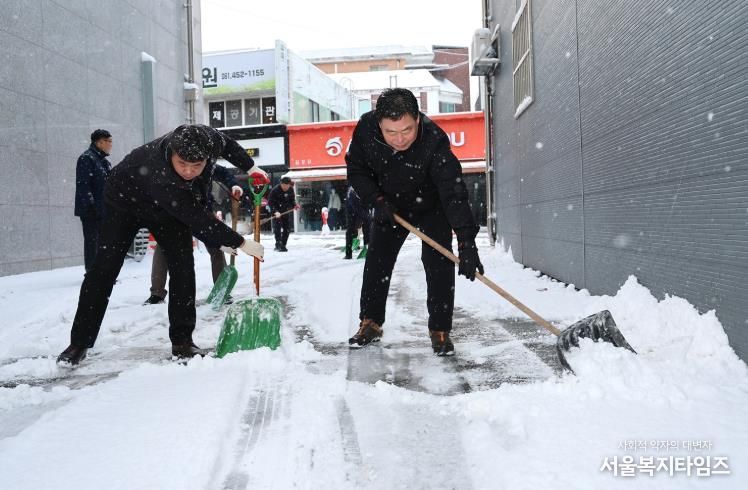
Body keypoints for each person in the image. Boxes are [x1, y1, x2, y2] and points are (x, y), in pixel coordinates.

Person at [57, 124, 268, 366]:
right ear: (172, 155)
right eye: (183, 165)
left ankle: (182, 342)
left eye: (196, 166)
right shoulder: (159, 172)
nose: (189, 172)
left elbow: (228, 145)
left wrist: (252, 168)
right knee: (103, 270)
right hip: (124, 203)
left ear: (207, 157)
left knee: (183, 267)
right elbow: (196, 217)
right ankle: (79, 342)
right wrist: (240, 241)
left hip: (168, 210)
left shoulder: (209, 139)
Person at [345, 88, 483, 356]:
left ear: (418, 119)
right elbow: (356, 170)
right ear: (378, 124)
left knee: (439, 263)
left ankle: (440, 329)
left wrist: (467, 241)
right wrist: (377, 200)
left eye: (406, 130)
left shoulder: (434, 141)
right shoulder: (365, 130)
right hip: (390, 206)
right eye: (391, 132)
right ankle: (370, 322)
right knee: (377, 262)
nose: (399, 139)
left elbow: (453, 191)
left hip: (431, 206)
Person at [144, 165, 245, 305]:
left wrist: (234, 185)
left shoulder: (206, 163)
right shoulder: (174, 164)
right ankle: (157, 293)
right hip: (176, 212)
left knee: (216, 248)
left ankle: (222, 290)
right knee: (163, 248)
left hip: (203, 211)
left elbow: (224, 173)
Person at [74, 129, 113, 272]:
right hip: (91, 211)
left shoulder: (105, 162)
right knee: (92, 243)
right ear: (100, 142)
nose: (110, 144)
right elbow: (83, 185)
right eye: (108, 141)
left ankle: (101, 273)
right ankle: (92, 274)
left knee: (104, 243)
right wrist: (91, 207)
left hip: (104, 211)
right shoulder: (87, 158)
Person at [267, 176, 298, 251]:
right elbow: (270, 203)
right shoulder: (275, 190)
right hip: (276, 213)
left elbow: (292, 200)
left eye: (288, 185)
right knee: (277, 228)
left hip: (285, 211)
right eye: (284, 185)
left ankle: (283, 244)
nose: (286, 187)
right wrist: (275, 211)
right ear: (281, 184)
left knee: (287, 229)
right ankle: (278, 244)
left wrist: (294, 205)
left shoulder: (290, 190)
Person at [344, 185, 371, 260]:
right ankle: (348, 254)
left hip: (362, 208)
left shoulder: (366, 189)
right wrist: (365, 216)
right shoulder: (351, 192)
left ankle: (367, 249)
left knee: (367, 227)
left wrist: (368, 215)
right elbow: (356, 208)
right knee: (350, 231)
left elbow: (368, 203)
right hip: (351, 212)